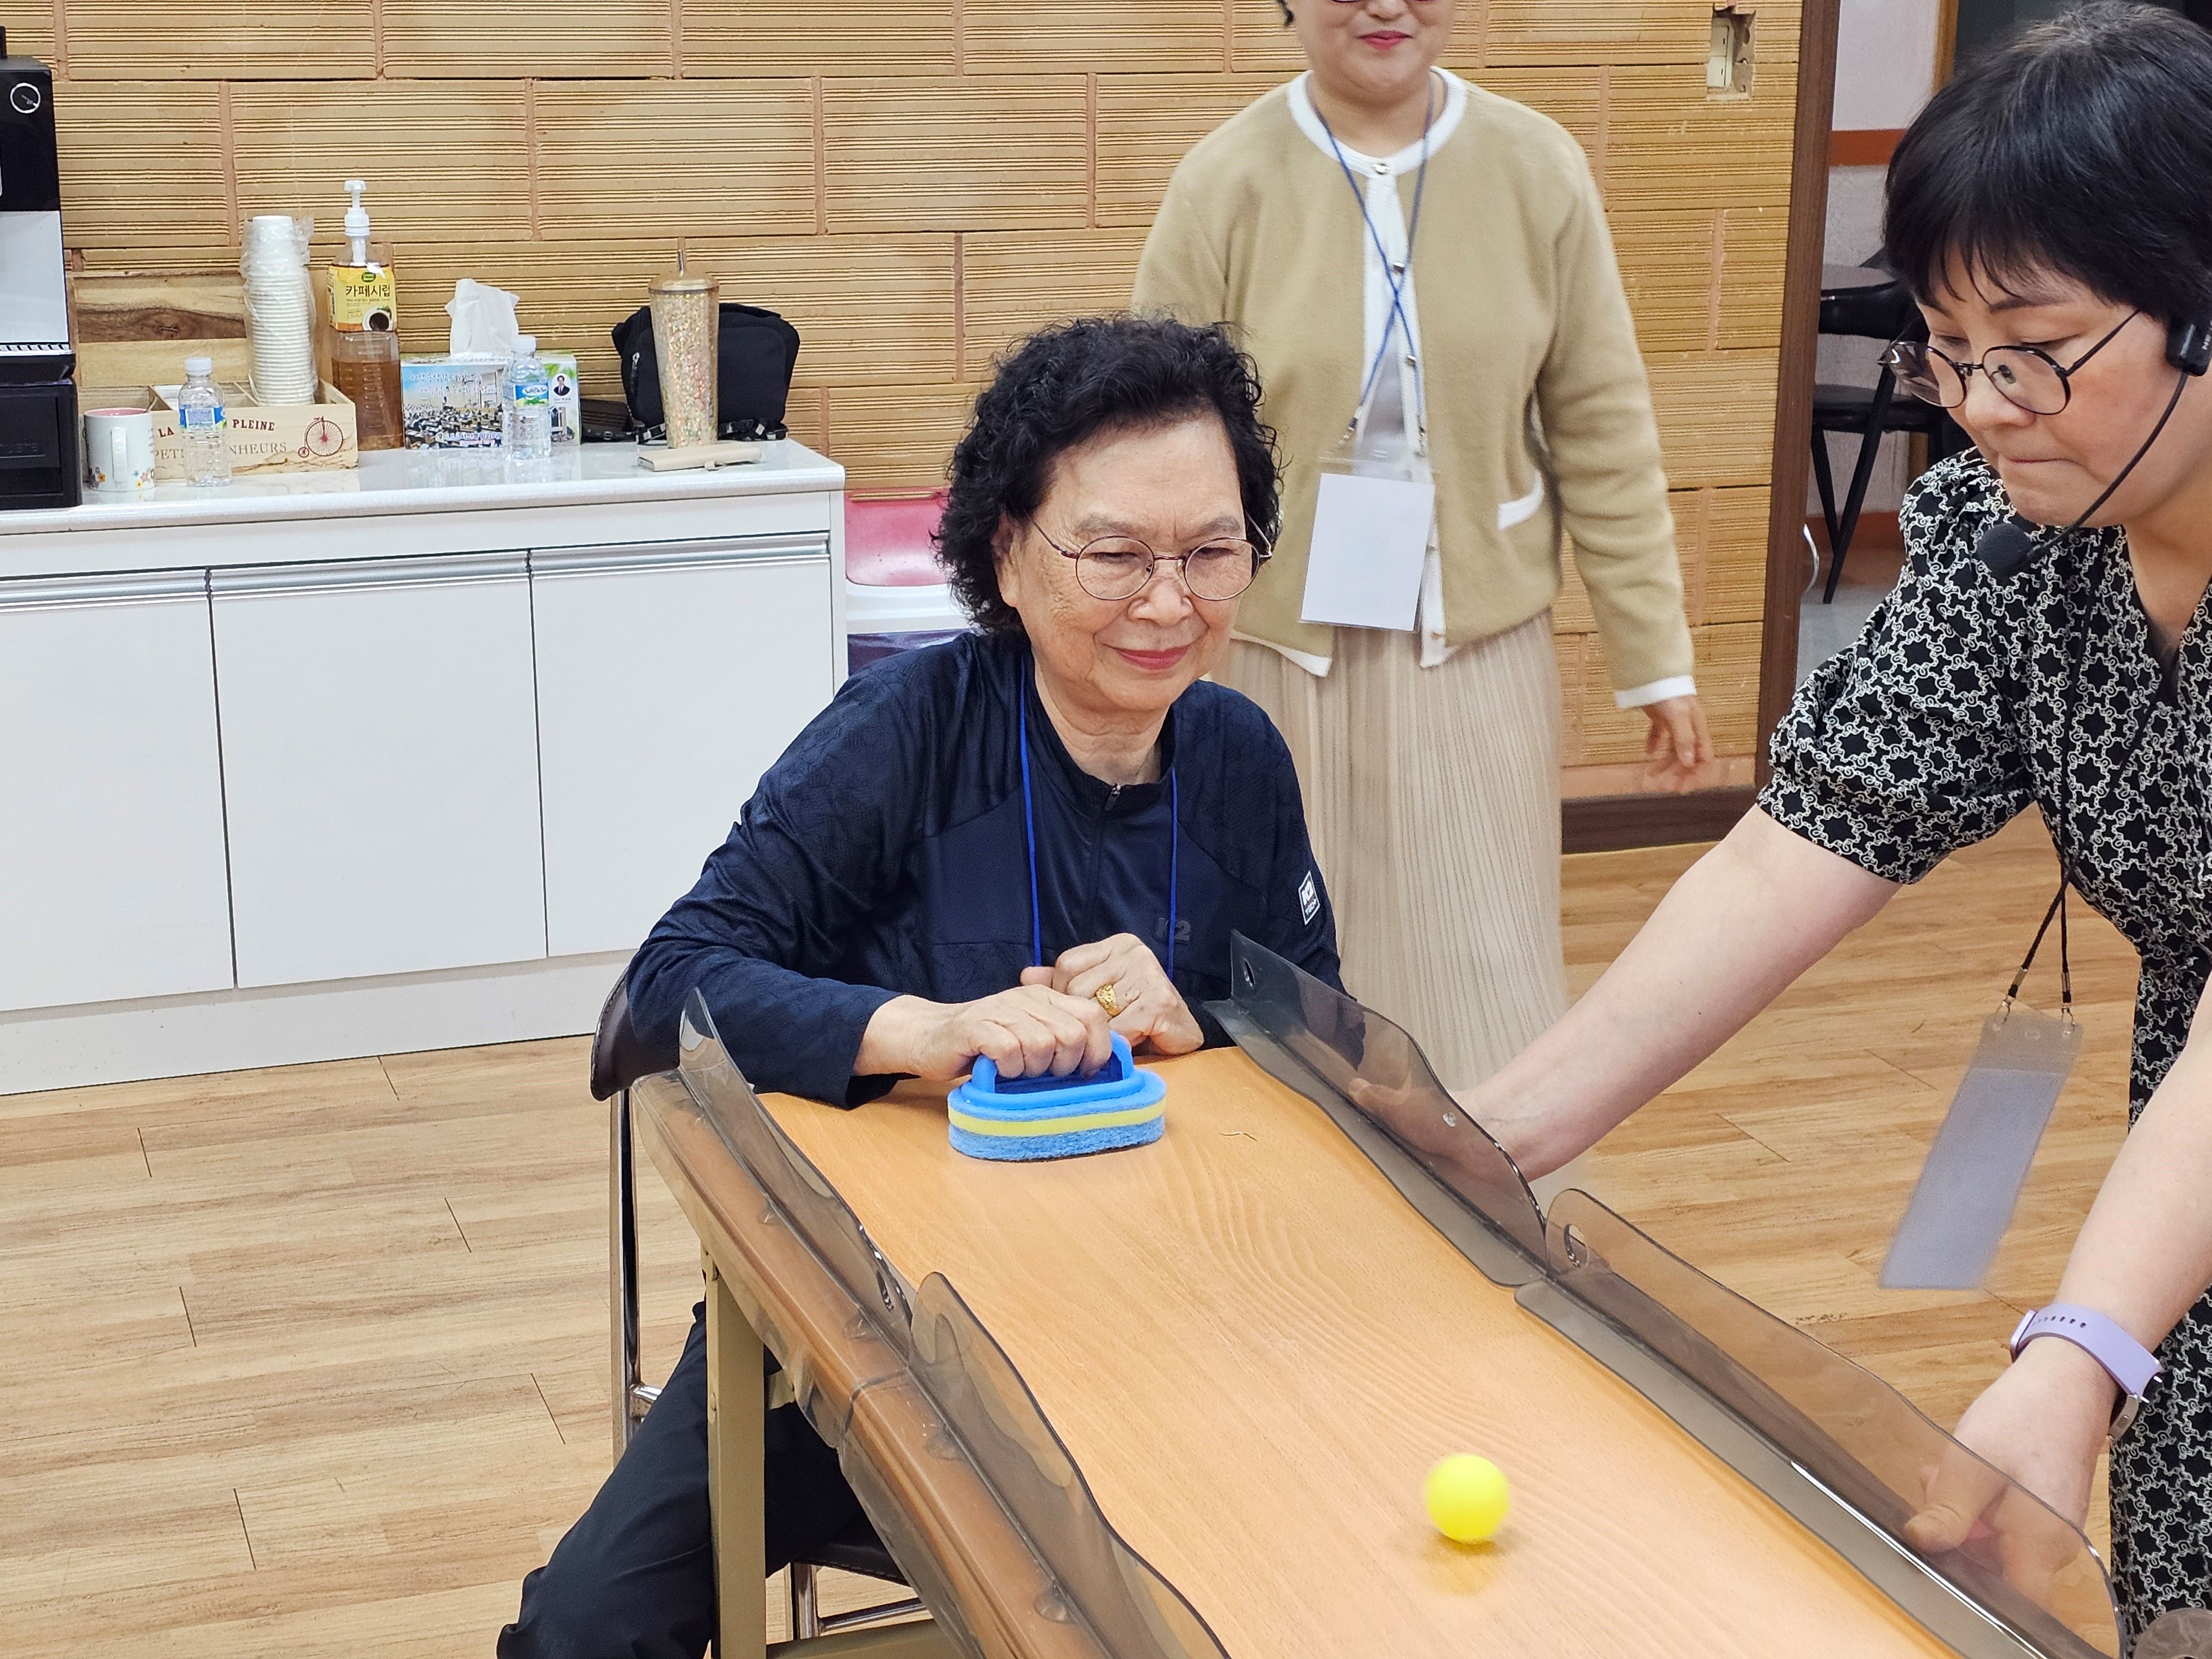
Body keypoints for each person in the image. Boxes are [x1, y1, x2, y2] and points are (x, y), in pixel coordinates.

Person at [1462, 3, 2212, 1636]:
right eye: (1947, 350)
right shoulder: (2023, 540)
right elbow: (1809, 833)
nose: (1983, 404)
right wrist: (1492, 1137)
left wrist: (2081, 1345)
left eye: (2034, 348)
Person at [497, 315, 1340, 1659]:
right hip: (862, 1344)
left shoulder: (1239, 756)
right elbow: (664, 992)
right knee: (584, 1632)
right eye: (1113, 554)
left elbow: (1321, 1049)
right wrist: (922, 1030)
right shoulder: (901, 736)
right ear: (1006, 551)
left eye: (1208, 551)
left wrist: (1212, 1022)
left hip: (1162, 1342)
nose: (1166, 602)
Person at [1131, 0, 1713, 1093]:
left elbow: (1602, 427)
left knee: (1481, 952)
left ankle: (1489, 1166)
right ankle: (1293, 1179)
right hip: (1274, 649)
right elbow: (1151, 433)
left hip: (1477, 644)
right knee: (1280, 951)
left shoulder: (1537, 168)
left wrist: (1655, 659)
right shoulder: (1226, 180)